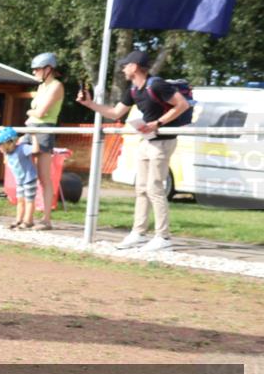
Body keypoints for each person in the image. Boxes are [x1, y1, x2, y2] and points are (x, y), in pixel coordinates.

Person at [77, 50, 190, 252]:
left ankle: (163, 237)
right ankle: (138, 233)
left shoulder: (157, 85)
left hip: (163, 142)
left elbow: (182, 104)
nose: (123, 68)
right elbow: (115, 113)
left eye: (125, 65)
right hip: (147, 141)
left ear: (135, 66)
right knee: (141, 188)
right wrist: (89, 103)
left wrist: (158, 123)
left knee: (155, 188)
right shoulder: (133, 90)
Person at [25, 52, 65, 231]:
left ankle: (46, 219)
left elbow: (41, 113)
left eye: (37, 69)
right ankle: (27, 217)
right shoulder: (42, 87)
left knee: (44, 177)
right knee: (27, 175)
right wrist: (32, 114)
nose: (34, 72)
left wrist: (29, 113)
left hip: (44, 130)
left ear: (48, 69)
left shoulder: (56, 86)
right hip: (31, 129)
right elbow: (38, 112)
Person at [0, 127, 37, 230]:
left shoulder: (22, 148)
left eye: (0, 144)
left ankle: (28, 221)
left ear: (10, 143)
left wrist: (34, 135)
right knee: (20, 200)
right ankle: (18, 220)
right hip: (20, 181)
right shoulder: (7, 153)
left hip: (29, 179)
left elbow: (35, 149)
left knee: (29, 200)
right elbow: (6, 161)